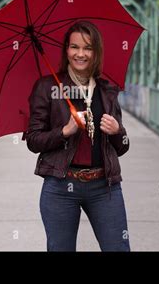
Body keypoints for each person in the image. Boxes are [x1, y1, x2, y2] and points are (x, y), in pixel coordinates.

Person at [25, 20, 130, 252]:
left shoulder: (106, 90)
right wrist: (64, 131)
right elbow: (32, 139)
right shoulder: (47, 87)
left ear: (96, 52)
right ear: (66, 50)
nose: (80, 54)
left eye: (88, 48)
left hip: (105, 186)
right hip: (61, 186)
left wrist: (117, 132)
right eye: (74, 47)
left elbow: (122, 147)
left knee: (118, 248)